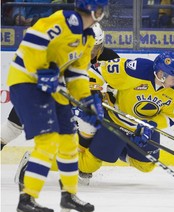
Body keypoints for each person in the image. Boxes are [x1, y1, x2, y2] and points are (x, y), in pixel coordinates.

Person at [7, 0, 108, 212]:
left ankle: (69, 197)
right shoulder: (64, 20)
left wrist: (87, 100)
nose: (102, 12)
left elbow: (77, 73)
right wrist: (43, 69)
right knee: (48, 141)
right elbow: (32, 39)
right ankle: (27, 199)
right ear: (94, 10)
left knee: (69, 141)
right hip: (26, 81)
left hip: (55, 84)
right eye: (101, 9)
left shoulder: (88, 37)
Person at [0, 22, 119, 151]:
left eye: (95, 47)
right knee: (13, 126)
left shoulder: (109, 58)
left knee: (86, 131)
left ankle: (81, 164)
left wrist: (107, 97)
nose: (91, 52)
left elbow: (116, 87)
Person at [75, 51, 174, 184]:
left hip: (142, 128)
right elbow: (97, 71)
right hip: (116, 121)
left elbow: (171, 117)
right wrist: (93, 91)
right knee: (87, 166)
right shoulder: (135, 70)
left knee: (147, 165)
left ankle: (119, 151)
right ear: (162, 75)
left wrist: (151, 124)